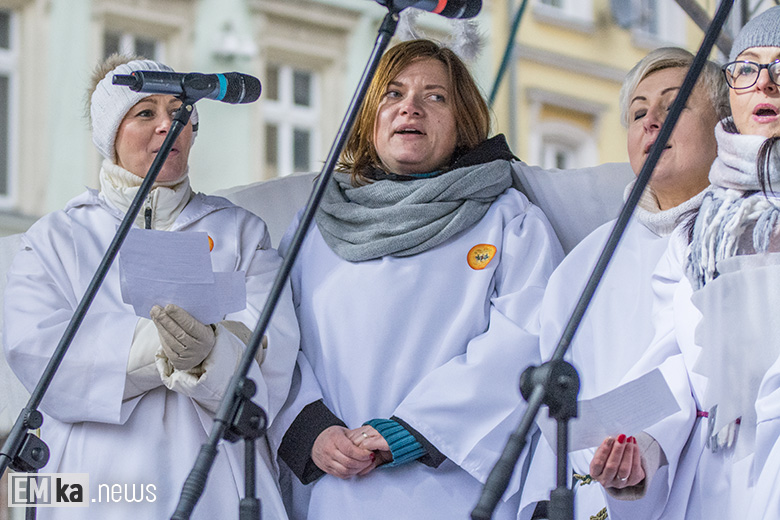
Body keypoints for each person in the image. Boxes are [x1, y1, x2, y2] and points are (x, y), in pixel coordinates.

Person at [266, 39, 564, 519]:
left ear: (462, 122)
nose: (411, 107)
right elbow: (276, 341)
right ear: (370, 117)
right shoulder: (315, 224)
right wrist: (310, 429)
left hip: (452, 491)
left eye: (435, 96)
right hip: (332, 489)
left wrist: (416, 429)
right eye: (394, 93)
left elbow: (528, 338)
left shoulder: (508, 219)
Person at [2, 55, 299, 519]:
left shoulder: (241, 232)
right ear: (111, 134)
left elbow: (273, 358)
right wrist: (158, 348)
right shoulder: (57, 237)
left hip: (214, 484)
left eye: (180, 113)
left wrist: (210, 355)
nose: (168, 125)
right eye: (146, 113)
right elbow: (36, 355)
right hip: (89, 488)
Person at [586, 6, 780, 519]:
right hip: (719, 490)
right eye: (747, 69)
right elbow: (680, 374)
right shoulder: (702, 230)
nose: (765, 83)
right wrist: (639, 453)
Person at [533, 47, 728, 519]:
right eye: (638, 113)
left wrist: (646, 448)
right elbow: (552, 401)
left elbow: (691, 376)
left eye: (674, 106)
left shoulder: (747, 237)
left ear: (726, 127)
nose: (651, 122)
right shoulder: (586, 262)